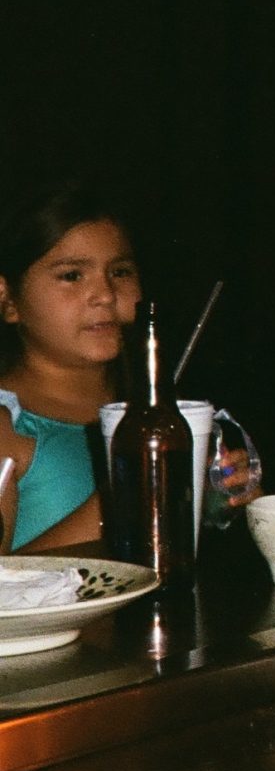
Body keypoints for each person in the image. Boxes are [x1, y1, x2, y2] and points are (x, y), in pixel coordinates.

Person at [0, 185, 141, 551]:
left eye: (121, 271)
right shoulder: (7, 426)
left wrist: (225, 494)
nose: (106, 294)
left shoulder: (155, 411)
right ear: (8, 299)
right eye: (73, 276)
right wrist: (117, 504)